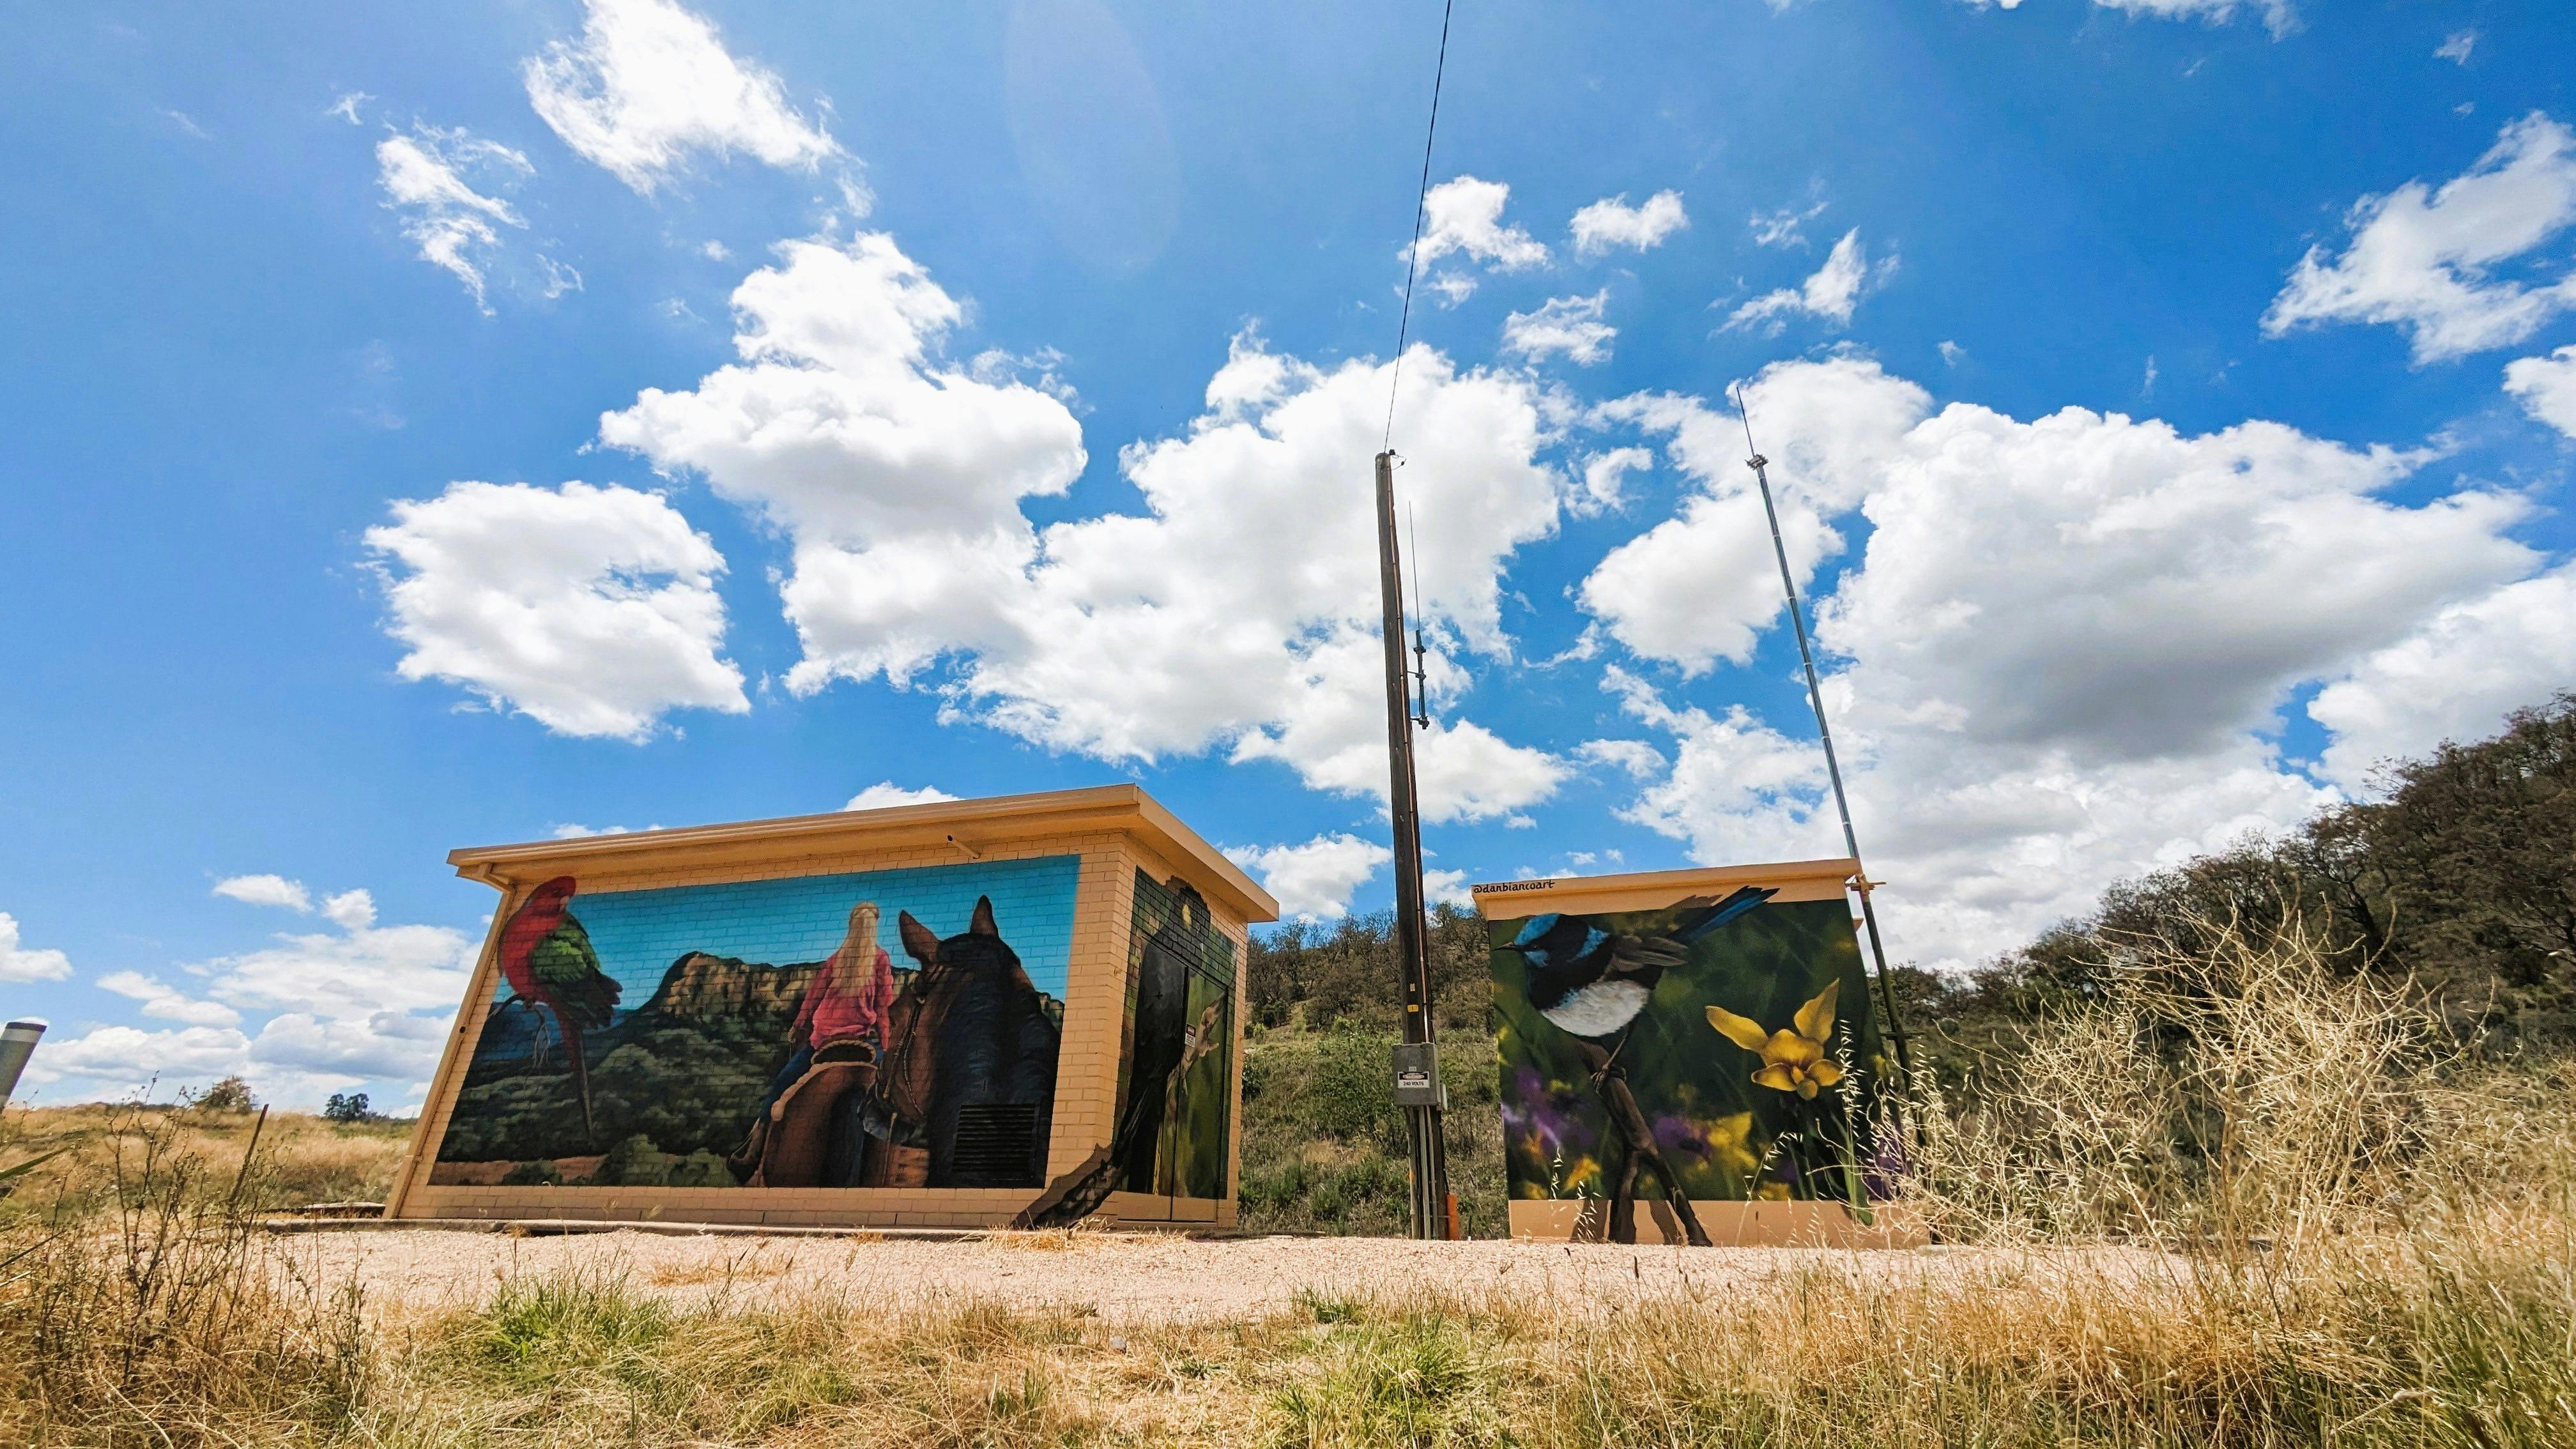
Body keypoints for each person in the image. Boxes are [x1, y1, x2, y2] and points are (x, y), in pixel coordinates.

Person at [728, 901, 896, 1179]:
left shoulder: (837, 959)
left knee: (781, 1086)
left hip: (821, 1041)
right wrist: (887, 1048)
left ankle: (753, 1150)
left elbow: (813, 997)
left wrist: (798, 1026)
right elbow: (883, 1010)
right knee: (890, 1092)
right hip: (859, 1041)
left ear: (851, 926)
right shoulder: (880, 959)